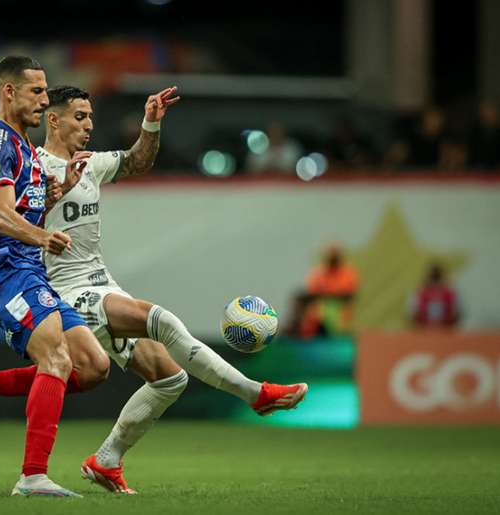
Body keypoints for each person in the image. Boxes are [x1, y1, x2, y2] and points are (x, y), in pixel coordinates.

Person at [37, 85, 308, 493]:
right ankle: (256, 394)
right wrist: (46, 198)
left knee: (169, 379)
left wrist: (151, 122)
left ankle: (105, 460)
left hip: (100, 283)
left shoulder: (90, 164)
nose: (89, 125)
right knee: (156, 319)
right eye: (79, 116)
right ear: (53, 119)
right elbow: (5, 217)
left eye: (91, 116)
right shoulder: (32, 168)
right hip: (65, 293)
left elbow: (137, 162)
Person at [0, 56, 110, 498]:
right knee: (56, 358)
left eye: (45, 90)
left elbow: (23, 203)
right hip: (4, 274)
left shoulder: (21, 146)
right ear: (9, 92)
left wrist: (60, 189)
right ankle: (32, 476)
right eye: (37, 91)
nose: (44, 98)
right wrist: (43, 236)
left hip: (28, 271)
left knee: (94, 367)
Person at [300, 244, 358, 338]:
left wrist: (329, 294)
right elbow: (311, 294)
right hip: (320, 313)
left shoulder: (348, 273)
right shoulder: (318, 273)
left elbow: (349, 295)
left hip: (340, 312)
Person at [410, 263, 460, 329]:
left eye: (436, 276)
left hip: (445, 331)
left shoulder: (449, 292)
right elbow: (413, 314)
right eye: (433, 277)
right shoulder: (421, 292)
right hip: (425, 331)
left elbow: (456, 314)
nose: (435, 281)